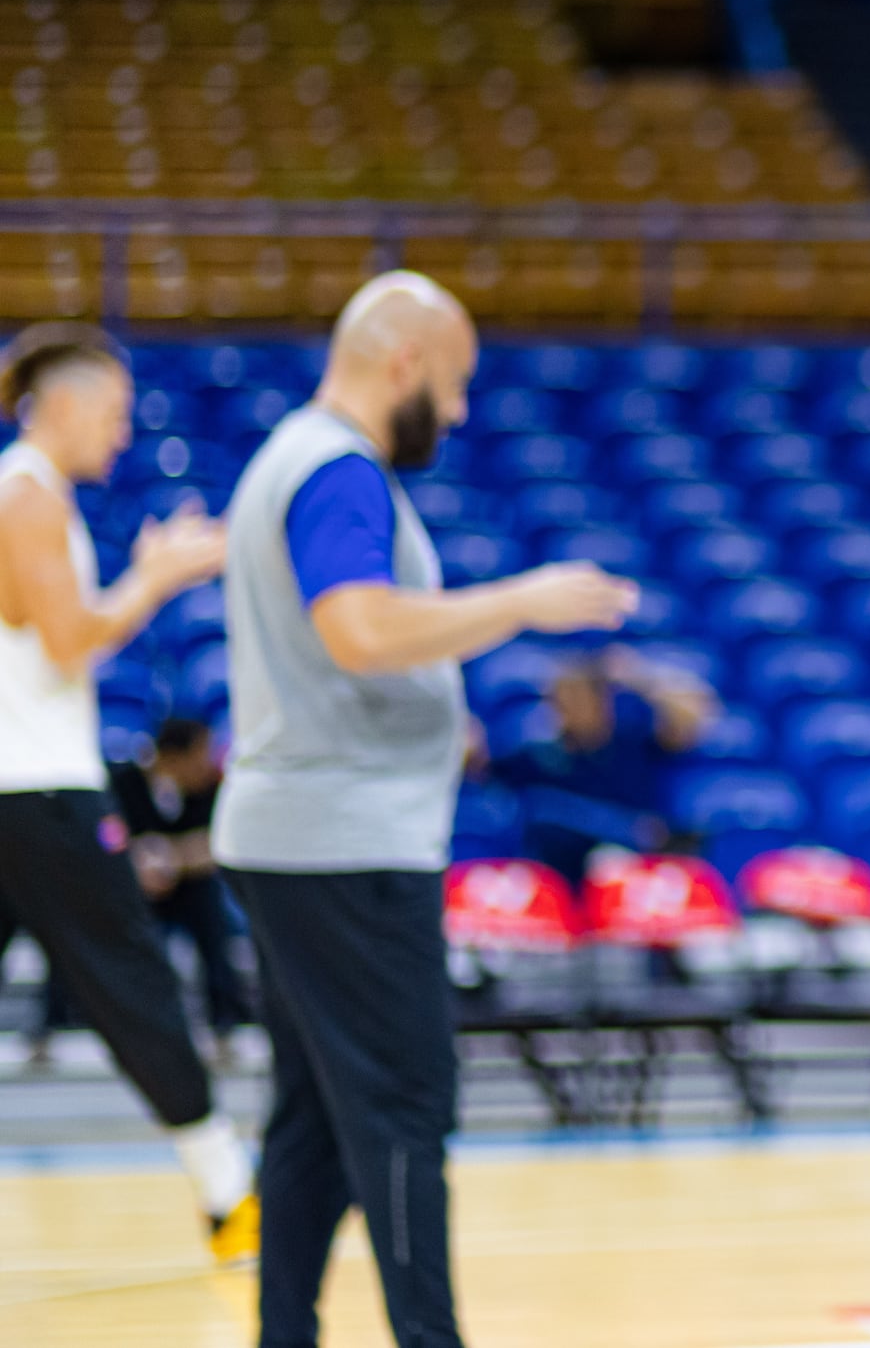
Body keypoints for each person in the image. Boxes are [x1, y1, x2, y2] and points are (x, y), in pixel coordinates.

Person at [214, 272, 640, 1348]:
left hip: (296, 834)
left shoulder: (292, 457)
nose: (457, 413)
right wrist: (521, 602)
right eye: (453, 386)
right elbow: (356, 628)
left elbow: (341, 648)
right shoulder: (339, 469)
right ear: (402, 360)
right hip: (343, 846)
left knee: (312, 1120)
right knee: (404, 1112)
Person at [0, 322, 260, 1265]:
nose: (122, 432)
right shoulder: (26, 495)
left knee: (127, 981)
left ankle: (224, 1184)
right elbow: (72, 638)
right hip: (36, 793)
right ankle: (229, 1191)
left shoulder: (30, 493)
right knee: (134, 982)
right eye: (112, 413)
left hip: (17, 784)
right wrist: (154, 575)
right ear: (62, 406)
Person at [502, 647, 719, 881]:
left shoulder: (635, 742)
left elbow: (693, 719)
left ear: (602, 699)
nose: (568, 707)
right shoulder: (536, 757)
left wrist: (639, 677)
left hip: (638, 878)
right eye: (560, 697)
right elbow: (482, 769)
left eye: (578, 696)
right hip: (565, 885)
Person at [109, 717, 255, 1056]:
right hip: (133, 888)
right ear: (173, 757)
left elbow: (217, 843)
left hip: (187, 887)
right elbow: (106, 836)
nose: (208, 763)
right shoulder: (124, 781)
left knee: (211, 914)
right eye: (201, 754)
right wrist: (138, 860)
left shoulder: (210, 788)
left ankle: (224, 1021)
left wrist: (171, 856)